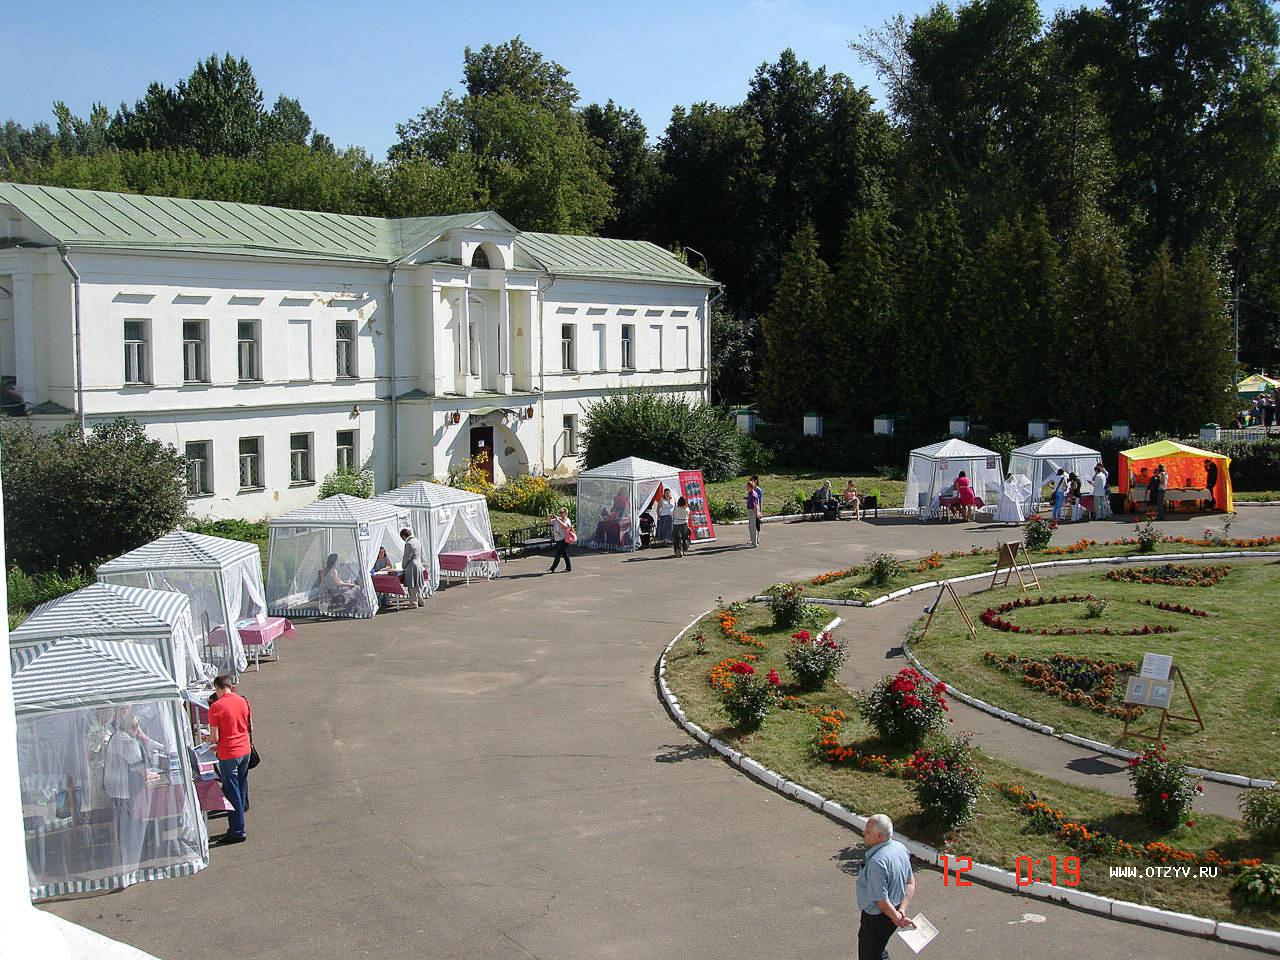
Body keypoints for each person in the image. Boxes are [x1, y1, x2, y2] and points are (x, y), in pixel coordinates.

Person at [856, 813, 916, 960]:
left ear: (880, 837)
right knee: (878, 950)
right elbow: (910, 883)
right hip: (894, 910)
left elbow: (881, 902)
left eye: (868, 832)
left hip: (877, 917)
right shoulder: (900, 849)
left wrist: (896, 918)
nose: (864, 833)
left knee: (870, 954)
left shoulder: (877, 862)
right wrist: (901, 911)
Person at [205, 675, 252, 845]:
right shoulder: (242, 701)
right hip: (244, 749)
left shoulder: (216, 707)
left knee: (231, 792)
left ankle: (237, 830)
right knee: (240, 786)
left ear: (217, 688)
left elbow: (214, 737)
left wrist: (208, 740)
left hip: (229, 753)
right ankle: (240, 815)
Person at [400, 528, 426, 606]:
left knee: (411, 585)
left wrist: (403, 566)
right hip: (418, 563)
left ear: (404, 536)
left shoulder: (409, 543)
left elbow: (406, 557)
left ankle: (413, 602)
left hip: (411, 565)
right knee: (417, 584)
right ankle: (420, 600)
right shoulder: (417, 541)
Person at [548, 506, 574, 572]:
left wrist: (558, 520)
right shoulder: (557, 519)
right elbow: (549, 522)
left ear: (565, 513)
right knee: (564, 554)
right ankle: (569, 567)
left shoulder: (567, 520)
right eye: (559, 512)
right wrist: (549, 517)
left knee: (558, 554)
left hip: (564, 539)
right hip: (558, 539)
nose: (560, 514)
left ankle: (552, 568)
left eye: (562, 512)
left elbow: (565, 526)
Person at [745, 479, 763, 548]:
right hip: (751, 511)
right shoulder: (751, 493)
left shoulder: (753, 495)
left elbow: (755, 505)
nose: (746, 488)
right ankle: (752, 541)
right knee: (750, 527)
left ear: (751, 487)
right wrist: (746, 498)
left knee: (753, 528)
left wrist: (757, 514)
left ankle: (754, 543)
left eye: (747, 487)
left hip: (753, 512)